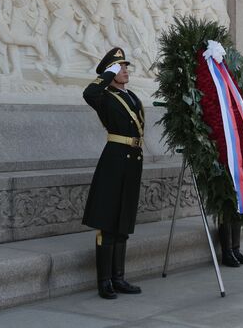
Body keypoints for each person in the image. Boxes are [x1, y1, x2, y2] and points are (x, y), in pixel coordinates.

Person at [82, 47, 145, 299]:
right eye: (120, 68)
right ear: (111, 71)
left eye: (126, 67)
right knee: (108, 222)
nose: (125, 71)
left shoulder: (132, 97)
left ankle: (119, 278)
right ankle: (104, 281)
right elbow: (89, 93)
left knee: (123, 221)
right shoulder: (104, 97)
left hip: (132, 161)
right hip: (115, 160)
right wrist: (106, 75)